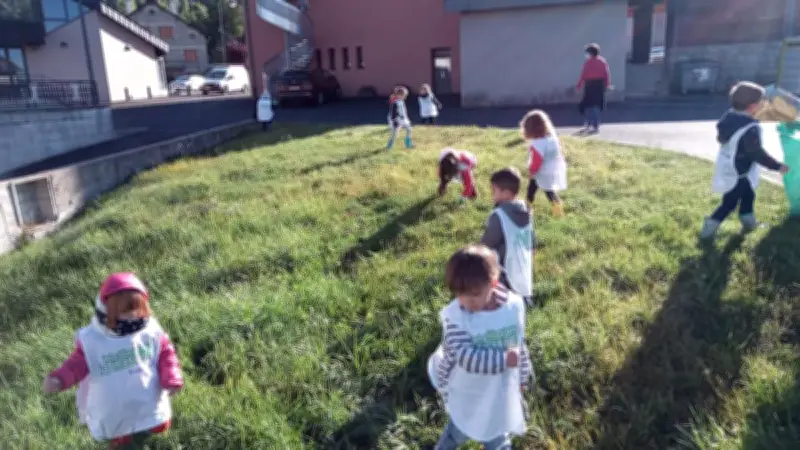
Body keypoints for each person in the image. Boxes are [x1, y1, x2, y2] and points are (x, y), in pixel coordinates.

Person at [43, 272, 184, 449]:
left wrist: (172, 377)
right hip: (114, 402)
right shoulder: (94, 340)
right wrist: (59, 379)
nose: (133, 315)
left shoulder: (149, 331)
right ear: (107, 311)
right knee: (117, 423)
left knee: (156, 420)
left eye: (137, 308)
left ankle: (149, 430)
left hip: (146, 393)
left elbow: (165, 354)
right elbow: (75, 365)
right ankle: (120, 437)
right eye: (126, 311)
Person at [427, 245, 532, 450]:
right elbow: (466, 357)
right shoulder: (456, 317)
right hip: (468, 391)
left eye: (474, 295)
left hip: (497, 393)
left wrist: (522, 377)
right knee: (458, 431)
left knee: (497, 435)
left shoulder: (511, 308)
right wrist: (505, 360)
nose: (465, 301)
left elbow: (517, 344)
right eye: (459, 294)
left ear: (492, 283)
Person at [701, 81, 790, 239]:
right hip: (739, 171)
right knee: (729, 203)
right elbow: (756, 154)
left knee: (748, 195)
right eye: (762, 103)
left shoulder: (729, 117)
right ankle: (709, 227)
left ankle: (748, 222)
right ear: (752, 107)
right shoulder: (749, 129)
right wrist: (777, 166)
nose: (764, 105)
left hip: (730, 166)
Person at [480, 168, 535, 307]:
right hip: (523, 261)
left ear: (506, 193)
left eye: (494, 191)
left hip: (505, 265)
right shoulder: (526, 210)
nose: (492, 195)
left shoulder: (499, 215)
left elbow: (488, 243)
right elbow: (531, 238)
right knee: (519, 284)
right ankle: (525, 300)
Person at [520, 109, 567, 217]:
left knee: (533, 190)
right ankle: (558, 211)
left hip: (540, 172)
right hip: (552, 169)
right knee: (549, 191)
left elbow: (537, 161)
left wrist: (532, 171)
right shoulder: (552, 139)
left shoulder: (537, 144)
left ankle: (527, 209)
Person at [576, 43, 611, 133]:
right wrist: (607, 84)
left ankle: (589, 122)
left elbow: (583, 75)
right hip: (599, 85)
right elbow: (606, 74)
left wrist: (579, 85)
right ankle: (595, 123)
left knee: (588, 105)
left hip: (590, 85)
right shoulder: (602, 61)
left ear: (591, 53)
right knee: (597, 105)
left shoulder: (588, 63)